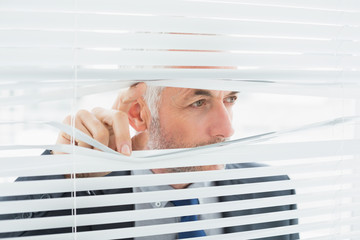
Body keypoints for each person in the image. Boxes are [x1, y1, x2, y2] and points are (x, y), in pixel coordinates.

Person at [0, 83, 299, 239]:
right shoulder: (78, 198)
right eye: (199, 102)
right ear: (140, 114)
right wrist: (60, 169)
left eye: (230, 99)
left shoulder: (272, 194)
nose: (228, 129)